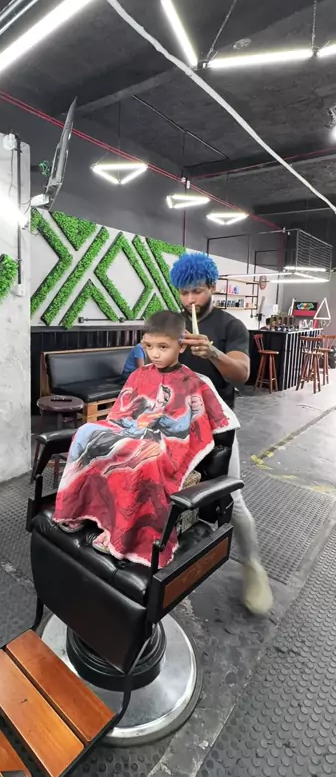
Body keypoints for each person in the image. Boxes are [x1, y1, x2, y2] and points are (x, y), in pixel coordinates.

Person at [53, 311, 239, 567]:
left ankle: (121, 534)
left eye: (163, 347)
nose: (155, 354)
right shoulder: (139, 375)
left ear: (181, 346)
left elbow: (199, 425)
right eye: (149, 346)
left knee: (142, 458)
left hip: (166, 440)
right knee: (86, 433)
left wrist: (156, 427)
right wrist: (133, 427)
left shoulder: (193, 381)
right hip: (132, 428)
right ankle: (78, 509)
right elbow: (121, 413)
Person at [170, 251, 273, 615]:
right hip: (175, 424)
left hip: (217, 427)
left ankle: (253, 564)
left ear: (212, 287)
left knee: (233, 497)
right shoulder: (173, 323)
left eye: (196, 291)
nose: (190, 300)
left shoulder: (231, 326)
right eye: (184, 292)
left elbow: (242, 374)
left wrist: (212, 352)